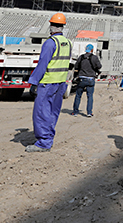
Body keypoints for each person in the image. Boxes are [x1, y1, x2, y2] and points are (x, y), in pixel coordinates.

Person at [26, 12, 73, 152]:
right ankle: (48, 138)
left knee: (41, 112)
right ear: (63, 26)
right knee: (53, 112)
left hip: (48, 83)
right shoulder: (67, 43)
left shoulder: (50, 43)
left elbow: (42, 64)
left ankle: (43, 142)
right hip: (60, 83)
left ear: (51, 26)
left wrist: (33, 82)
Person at [72, 44, 102, 117]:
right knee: (90, 96)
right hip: (90, 79)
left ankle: (75, 112)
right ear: (92, 50)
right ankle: (89, 112)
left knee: (78, 96)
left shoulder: (81, 57)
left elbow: (76, 66)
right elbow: (99, 66)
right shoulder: (94, 58)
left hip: (81, 79)